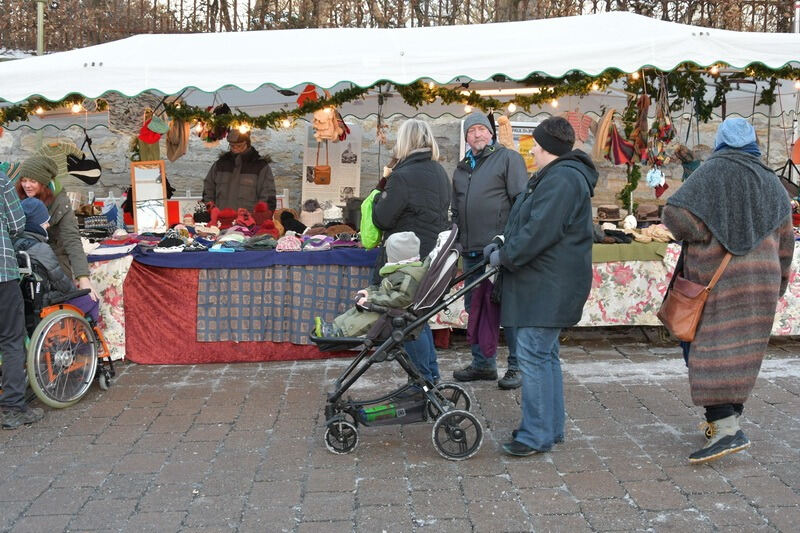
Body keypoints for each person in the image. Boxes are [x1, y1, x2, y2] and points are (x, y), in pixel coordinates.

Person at [662, 117, 794, 465]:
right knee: (740, 350)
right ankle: (725, 420)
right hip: (760, 280)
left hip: (716, 280)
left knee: (706, 347)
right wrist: (779, 283)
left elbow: (675, 216)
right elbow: (786, 241)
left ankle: (726, 427)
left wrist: (704, 230)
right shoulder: (773, 182)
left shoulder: (710, 172)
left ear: (721, 142)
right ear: (753, 145)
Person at [488, 116, 597, 456]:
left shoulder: (562, 179)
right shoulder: (556, 176)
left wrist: (506, 256)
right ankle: (549, 428)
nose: (532, 150)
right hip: (547, 283)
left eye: (536, 145)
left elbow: (540, 232)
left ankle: (535, 434)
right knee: (544, 355)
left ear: (549, 148)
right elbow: (530, 221)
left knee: (534, 355)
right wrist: (503, 241)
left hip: (548, 285)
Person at [451, 112, 529, 389]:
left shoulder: (508, 159)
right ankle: (483, 364)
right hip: (471, 251)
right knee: (476, 307)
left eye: (482, 129)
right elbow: (456, 209)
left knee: (508, 309)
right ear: (466, 137)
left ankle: (517, 366)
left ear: (492, 133)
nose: (478, 134)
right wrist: (455, 240)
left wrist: (509, 241)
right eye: (472, 130)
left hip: (500, 250)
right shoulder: (462, 168)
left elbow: (521, 202)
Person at [372, 119, 451, 384]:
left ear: (405, 141)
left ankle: (422, 382)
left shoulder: (402, 176)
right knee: (418, 318)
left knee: (406, 321)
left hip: (406, 259)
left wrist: (379, 194)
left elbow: (382, 219)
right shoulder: (439, 172)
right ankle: (430, 377)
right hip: (428, 254)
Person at [15, 155, 98, 301]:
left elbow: (71, 238)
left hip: (54, 253)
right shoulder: (15, 195)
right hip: (22, 253)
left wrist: (83, 277)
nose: (27, 185)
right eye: (24, 180)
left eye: (33, 181)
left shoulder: (60, 201)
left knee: (64, 297)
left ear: (44, 183)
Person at [315, 232, 426, 338]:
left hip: (393, 314)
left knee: (366, 316)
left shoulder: (407, 276)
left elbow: (401, 298)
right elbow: (386, 289)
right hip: (388, 306)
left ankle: (339, 333)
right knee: (357, 309)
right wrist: (369, 292)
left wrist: (371, 298)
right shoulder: (402, 272)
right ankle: (334, 327)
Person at [0, 171, 45, 429]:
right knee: (11, 339)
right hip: (2, 273)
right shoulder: (1, 179)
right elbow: (17, 224)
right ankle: (12, 408)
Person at [14, 198, 99, 323]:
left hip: (22, 305)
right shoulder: (41, 249)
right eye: (45, 222)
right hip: (46, 304)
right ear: (36, 224)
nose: (48, 225)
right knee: (91, 299)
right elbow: (62, 283)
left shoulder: (13, 244)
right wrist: (77, 292)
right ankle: (83, 334)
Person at [202, 130, 277, 211]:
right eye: (232, 146)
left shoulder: (260, 167)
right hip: (221, 217)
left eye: (239, 146)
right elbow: (208, 190)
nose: (235, 149)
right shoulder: (220, 165)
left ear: (247, 144)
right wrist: (211, 211)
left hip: (249, 218)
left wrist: (260, 215)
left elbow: (267, 196)